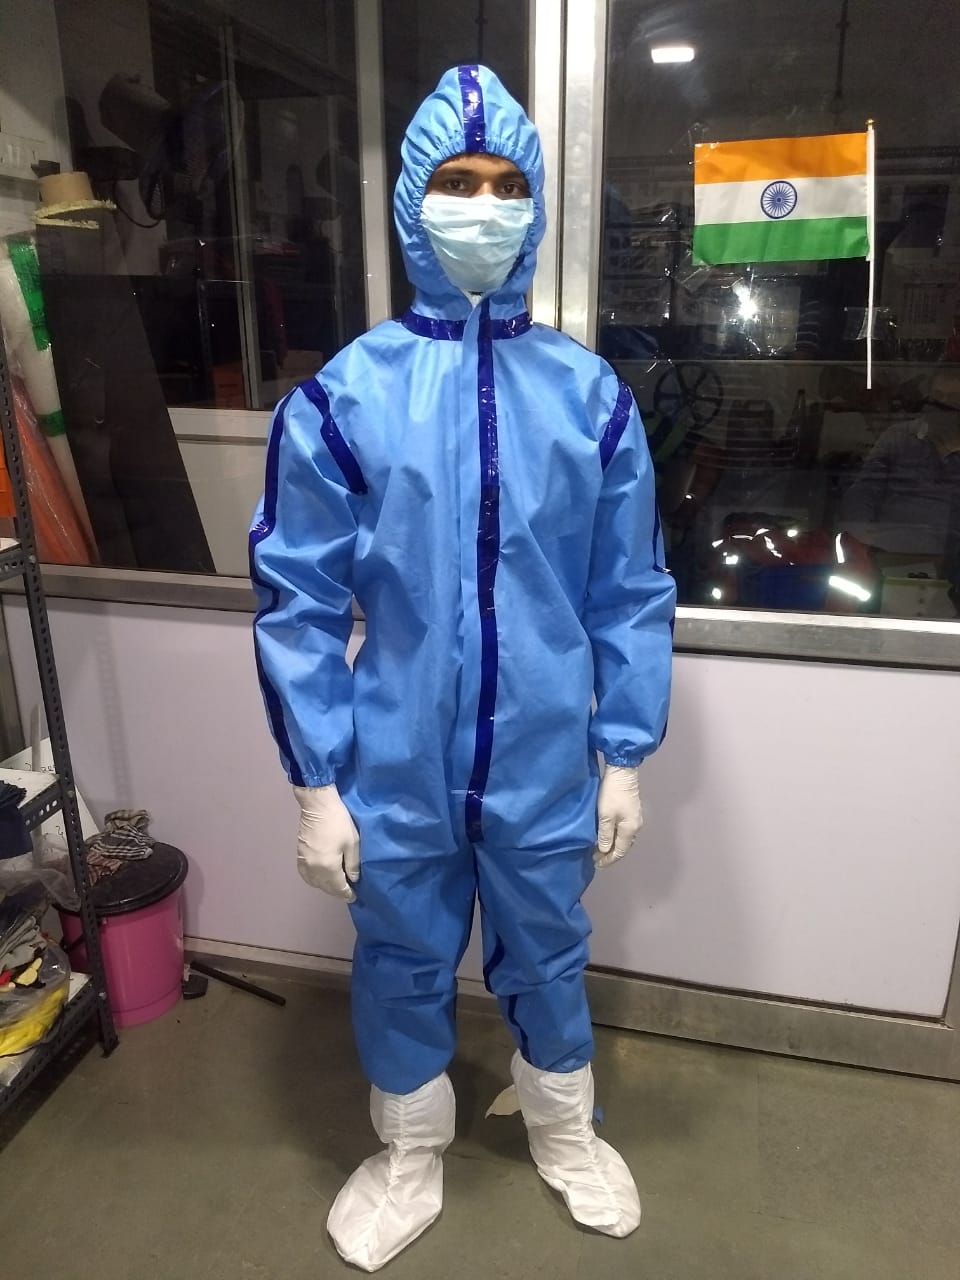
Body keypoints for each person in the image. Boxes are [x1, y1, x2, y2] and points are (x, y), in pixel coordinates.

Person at [250, 65, 676, 1271]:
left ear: (534, 207)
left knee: (547, 946)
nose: (481, 207)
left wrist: (624, 751)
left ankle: (564, 1128)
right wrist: (316, 780)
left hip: (542, 754)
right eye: (457, 181)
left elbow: (629, 589)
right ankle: (408, 1150)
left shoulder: (590, 399)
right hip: (395, 755)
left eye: (504, 186)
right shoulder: (345, 399)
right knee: (400, 955)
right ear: (411, 200)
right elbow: (296, 600)